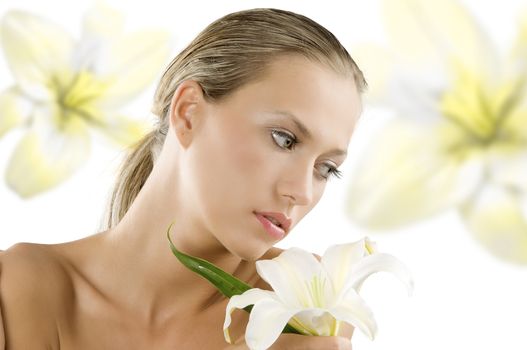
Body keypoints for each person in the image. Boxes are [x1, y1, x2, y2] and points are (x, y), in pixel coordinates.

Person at [0, 7, 366, 349]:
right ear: (189, 113)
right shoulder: (18, 291)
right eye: (284, 140)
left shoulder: (306, 306)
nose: (301, 192)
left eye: (326, 169)